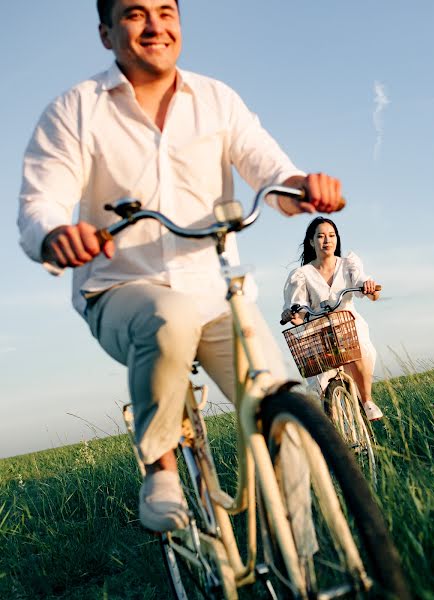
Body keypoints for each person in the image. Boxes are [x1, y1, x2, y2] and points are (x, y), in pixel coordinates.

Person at [17, 0, 343, 534]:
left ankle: (306, 566)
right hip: (121, 288)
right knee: (169, 318)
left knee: (288, 418)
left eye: (166, 11)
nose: (155, 26)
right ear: (106, 33)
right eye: (135, 14)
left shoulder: (215, 99)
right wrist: (57, 233)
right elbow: (40, 202)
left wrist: (302, 187)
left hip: (215, 294)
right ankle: (161, 468)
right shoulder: (75, 109)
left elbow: (269, 167)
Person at [282, 217, 384, 421]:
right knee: (321, 388)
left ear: (337, 239)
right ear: (311, 242)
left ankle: (367, 401)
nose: (326, 240)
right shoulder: (302, 274)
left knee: (358, 348)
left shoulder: (348, 264)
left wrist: (370, 287)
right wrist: (292, 315)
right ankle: (339, 431)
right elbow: (297, 306)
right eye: (320, 236)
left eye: (331, 235)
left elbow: (365, 285)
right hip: (319, 329)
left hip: (347, 323)